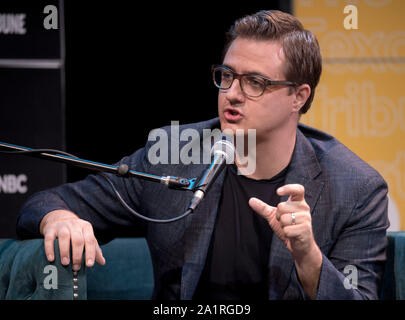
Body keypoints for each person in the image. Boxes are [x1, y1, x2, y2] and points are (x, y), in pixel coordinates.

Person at [17, 10, 389, 300]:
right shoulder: (173, 154)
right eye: (227, 75)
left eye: (255, 82)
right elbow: (45, 201)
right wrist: (59, 218)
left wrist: (309, 258)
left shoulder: (355, 188)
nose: (233, 93)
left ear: (299, 96)